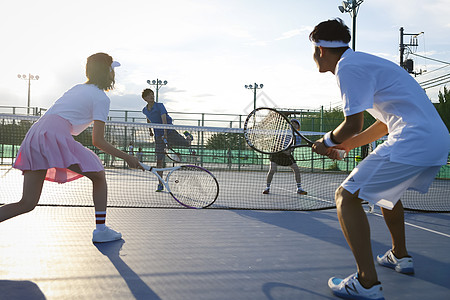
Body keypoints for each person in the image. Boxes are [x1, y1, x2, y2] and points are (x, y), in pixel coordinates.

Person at [309, 18, 450, 300]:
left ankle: (366, 282)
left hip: (413, 139)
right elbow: (384, 124)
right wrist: (346, 146)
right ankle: (400, 255)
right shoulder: (366, 63)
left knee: (345, 197)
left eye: (313, 50)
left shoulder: (347, 67)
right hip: (435, 138)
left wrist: (327, 142)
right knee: (388, 193)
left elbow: (353, 124)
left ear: (321, 50)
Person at [2, 53, 141, 243]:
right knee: (98, 175)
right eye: (112, 69)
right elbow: (98, 140)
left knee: (27, 203)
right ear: (107, 71)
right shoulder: (102, 98)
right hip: (52, 134)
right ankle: (101, 230)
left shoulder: (77, 88)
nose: (114, 74)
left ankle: (101, 229)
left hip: (35, 134)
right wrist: (127, 157)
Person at [141, 88, 193, 192]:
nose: (152, 96)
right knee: (159, 161)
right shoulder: (145, 110)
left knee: (186, 144)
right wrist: (150, 130)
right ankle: (160, 184)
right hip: (158, 137)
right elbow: (148, 118)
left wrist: (165, 134)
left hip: (169, 132)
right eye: (149, 95)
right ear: (145, 98)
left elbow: (164, 119)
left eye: (152, 94)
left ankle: (188, 137)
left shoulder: (160, 106)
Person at [262, 119, 307, 195]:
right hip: (276, 153)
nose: (293, 124)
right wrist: (282, 149)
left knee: (296, 169)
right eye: (292, 123)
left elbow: (293, 148)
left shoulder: (298, 137)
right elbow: (277, 143)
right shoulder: (282, 133)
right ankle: (267, 188)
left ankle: (299, 188)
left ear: (298, 126)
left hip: (287, 155)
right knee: (272, 169)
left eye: (295, 124)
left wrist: (288, 151)